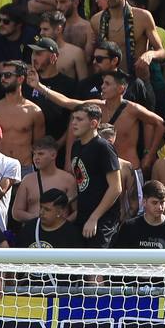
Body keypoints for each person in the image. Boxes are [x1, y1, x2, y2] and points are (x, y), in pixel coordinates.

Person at [65, 104, 123, 247]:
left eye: (79, 119)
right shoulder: (76, 146)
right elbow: (85, 182)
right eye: (73, 119)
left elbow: (116, 188)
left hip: (102, 220)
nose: (74, 123)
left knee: (97, 266)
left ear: (94, 123)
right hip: (83, 217)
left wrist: (94, 218)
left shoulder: (103, 147)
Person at [112, 180, 165, 249]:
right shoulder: (129, 227)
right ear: (144, 202)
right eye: (154, 203)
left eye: (162, 202)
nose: (159, 207)